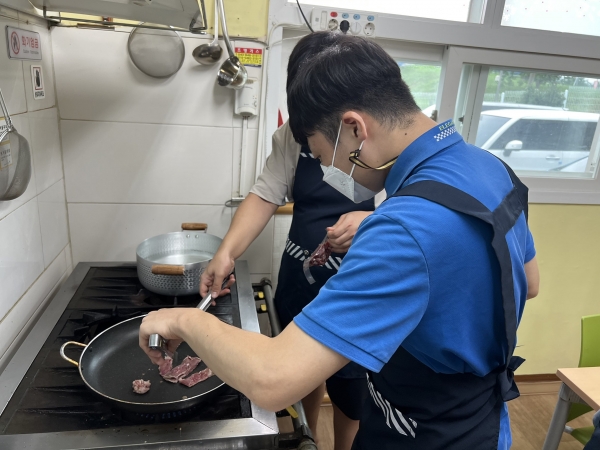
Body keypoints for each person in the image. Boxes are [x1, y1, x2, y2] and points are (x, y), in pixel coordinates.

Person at [140, 32, 540, 449]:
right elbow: (528, 283)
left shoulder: (401, 229)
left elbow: (272, 380)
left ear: (354, 128)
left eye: (320, 153)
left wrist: (183, 320)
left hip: (426, 434)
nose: (326, 171)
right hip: (482, 420)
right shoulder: (492, 168)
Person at [199, 32, 375, 449]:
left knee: (351, 393)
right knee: (299, 374)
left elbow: (414, 214)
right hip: (301, 278)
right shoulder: (291, 137)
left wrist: (371, 221)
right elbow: (264, 195)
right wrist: (225, 253)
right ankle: (304, 437)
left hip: (356, 286)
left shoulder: (378, 141)